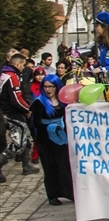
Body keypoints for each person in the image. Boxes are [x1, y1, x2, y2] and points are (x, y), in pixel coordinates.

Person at [30, 75, 73, 205]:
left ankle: (68, 192)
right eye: (46, 86)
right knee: (49, 167)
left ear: (56, 87)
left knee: (64, 165)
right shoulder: (39, 102)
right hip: (46, 140)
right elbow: (35, 123)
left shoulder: (63, 102)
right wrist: (49, 126)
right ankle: (52, 195)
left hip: (61, 138)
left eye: (51, 86)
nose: (48, 89)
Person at [0, 53, 39, 176]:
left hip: (7, 111)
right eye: (23, 65)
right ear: (17, 64)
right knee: (18, 142)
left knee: (25, 137)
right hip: (11, 113)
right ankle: (2, 160)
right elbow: (16, 98)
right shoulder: (12, 77)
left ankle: (26, 165)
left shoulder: (3, 74)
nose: (24, 67)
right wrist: (28, 109)